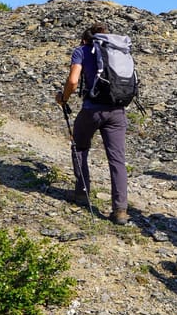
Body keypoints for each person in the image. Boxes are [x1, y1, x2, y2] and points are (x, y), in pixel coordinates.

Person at [55, 23, 130, 225]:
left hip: (92, 109)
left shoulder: (81, 50)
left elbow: (73, 81)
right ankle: (120, 210)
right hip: (117, 110)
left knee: (79, 147)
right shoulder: (116, 50)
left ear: (84, 39)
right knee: (117, 160)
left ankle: (82, 192)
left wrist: (63, 98)